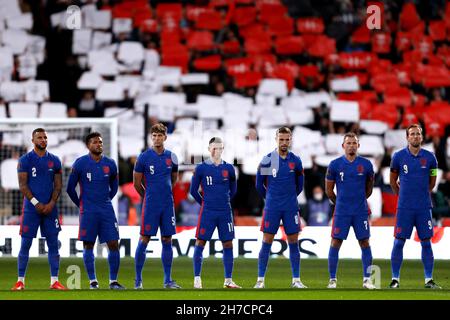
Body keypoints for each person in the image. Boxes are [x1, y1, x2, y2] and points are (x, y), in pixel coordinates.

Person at [66, 132, 124, 290]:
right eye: (94, 142)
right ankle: (93, 281)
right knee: (88, 244)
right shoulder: (80, 163)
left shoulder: (110, 164)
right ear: (88, 145)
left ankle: (113, 281)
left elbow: (114, 187)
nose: (98, 144)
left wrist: (105, 200)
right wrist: (81, 204)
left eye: (100, 141)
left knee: (113, 243)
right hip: (88, 210)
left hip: (106, 210)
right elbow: (70, 188)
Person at [12, 128, 66, 290]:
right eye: (39, 137)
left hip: (50, 209)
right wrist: (36, 203)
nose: (43, 140)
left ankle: (54, 281)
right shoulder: (25, 160)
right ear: (33, 140)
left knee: (53, 244)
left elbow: (58, 186)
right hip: (31, 209)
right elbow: (22, 185)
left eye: (45, 137)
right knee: (26, 243)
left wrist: (50, 204)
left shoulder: (55, 160)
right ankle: (20, 281)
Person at [389, 124, 441, 289]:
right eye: (412, 134)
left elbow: (432, 181)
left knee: (426, 242)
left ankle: (428, 280)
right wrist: (403, 195)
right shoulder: (398, 156)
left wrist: (421, 195)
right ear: (407, 137)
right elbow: (392, 181)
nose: (416, 136)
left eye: (418, 134)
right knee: (398, 242)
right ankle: (395, 279)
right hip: (404, 208)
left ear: (422, 137)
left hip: (424, 207)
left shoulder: (431, 158)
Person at [254, 126, 306, 289]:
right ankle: (260, 280)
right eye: (281, 139)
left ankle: (296, 280)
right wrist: (270, 198)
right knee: (266, 242)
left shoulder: (295, 160)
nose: (284, 142)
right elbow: (258, 185)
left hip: (290, 207)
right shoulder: (268, 159)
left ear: (290, 140)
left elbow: (300, 186)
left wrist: (289, 197)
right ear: (276, 139)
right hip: (272, 207)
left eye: (287, 139)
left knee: (293, 242)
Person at [325, 132, 376, 289]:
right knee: (335, 242)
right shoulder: (334, 165)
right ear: (343, 146)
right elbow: (329, 190)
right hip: (342, 211)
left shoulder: (367, 164)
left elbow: (369, 189)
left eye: (354, 143)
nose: (351, 145)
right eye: (348, 143)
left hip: (360, 210)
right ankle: (332, 280)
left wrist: (359, 199)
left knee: (365, 242)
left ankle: (367, 280)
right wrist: (340, 201)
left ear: (358, 145)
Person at [133, 123, 181, 289]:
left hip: (167, 204)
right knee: (144, 239)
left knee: (167, 239)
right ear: (151, 137)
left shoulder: (172, 157)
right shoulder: (144, 157)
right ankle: (138, 280)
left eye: (160, 135)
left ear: (165, 137)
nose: (156, 138)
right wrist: (148, 196)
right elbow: (136, 183)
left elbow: (173, 179)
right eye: (154, 135)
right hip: (151, 204)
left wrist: (164, 193)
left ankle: (168, 280)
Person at [190, 137, 241, 289]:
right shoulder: (201, 168)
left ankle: (228, 280)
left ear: (222, 149)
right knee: (200, 242)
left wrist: (225, 201)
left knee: (228, 243)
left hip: (225, 212)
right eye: (213, 148)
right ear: (209, 149)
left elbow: (234, 189)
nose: (216, 150)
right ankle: (197, 279)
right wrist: (205, 204)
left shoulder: (229, 168)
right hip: (208, 212)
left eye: (219, 148)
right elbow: (193, 191)